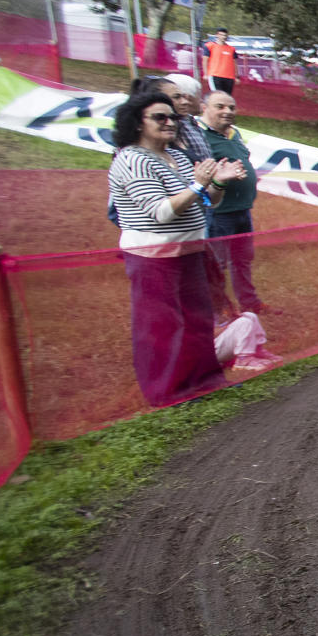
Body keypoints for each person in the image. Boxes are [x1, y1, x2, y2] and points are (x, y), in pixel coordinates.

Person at [108, 81, 245, 405]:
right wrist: (200, 185)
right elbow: (161, 211)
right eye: (160, 117)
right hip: (154, 257)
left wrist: (217, 184)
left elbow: (204, 201)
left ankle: (206, 382)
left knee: (197, 318)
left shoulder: (177, 157)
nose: (170, 122)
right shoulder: (131, 160)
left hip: (190, 251)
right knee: (162, 326)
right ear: (138, 122)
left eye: (172, 117)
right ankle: (168, 392)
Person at [198, 88, 267, 320]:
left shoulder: (234, 134)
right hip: (218, 212)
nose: (227, 111)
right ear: (204, 108)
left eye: (231, 107)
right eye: (220, 107)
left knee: (243, 260)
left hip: (243, 210)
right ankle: (219, 312)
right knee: (216, 266)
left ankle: (250, 303)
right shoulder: (199, 137)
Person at [203, 28, 238, 95]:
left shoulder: (231, 49)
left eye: (225, 35)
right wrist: (205, 74)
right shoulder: (210, 46)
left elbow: (235, 63)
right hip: (215, 75)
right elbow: (205, 60)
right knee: (217, 95)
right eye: (221, 35)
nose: (223, 37)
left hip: (229, 77)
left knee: (227, 96)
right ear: (217, 35)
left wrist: (236, 76)